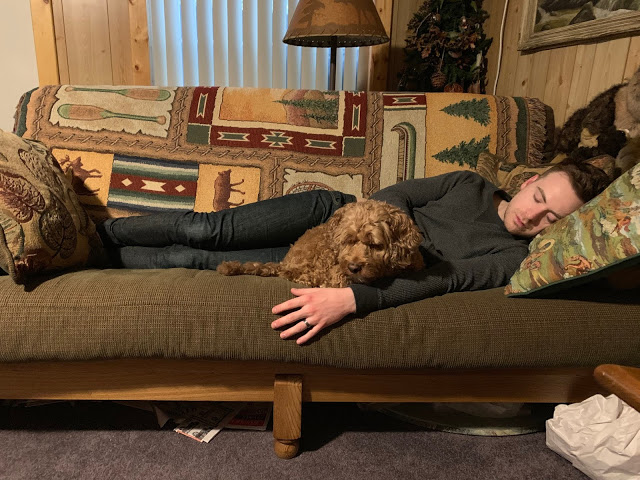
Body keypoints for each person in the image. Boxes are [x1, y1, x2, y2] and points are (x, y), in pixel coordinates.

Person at [97, 161, 611, 345]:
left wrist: (354, 297)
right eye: (539, 198)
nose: (535, 217)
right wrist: (388, 234)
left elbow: (448, 278)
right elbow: (396, 195)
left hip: (348, 263)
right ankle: (103, 234)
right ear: (532, 180)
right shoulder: (468, 183)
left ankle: (97, 260)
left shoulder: (515, 256)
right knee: (206, 230)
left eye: (552, 218)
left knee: (199, 262)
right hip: (335, 213)